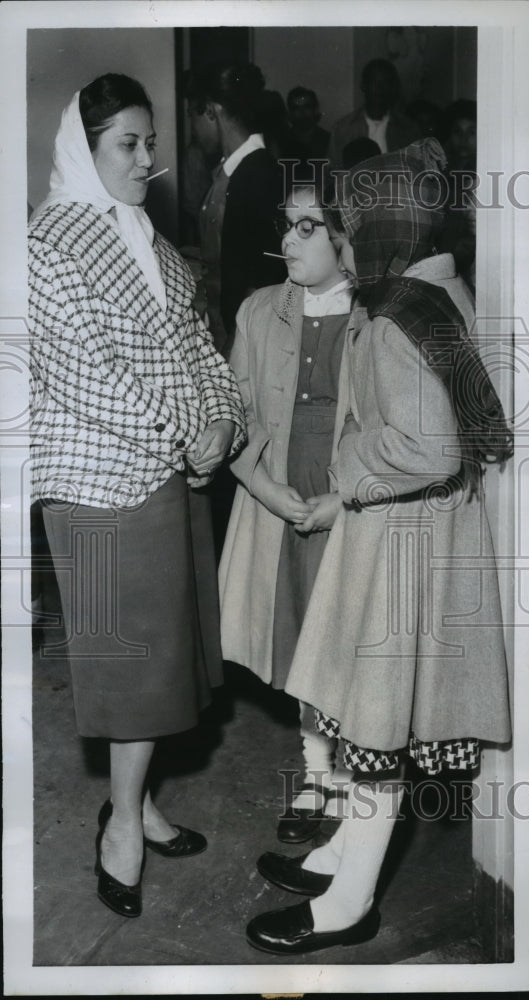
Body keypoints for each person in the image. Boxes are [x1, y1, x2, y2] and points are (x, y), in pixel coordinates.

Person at [245, 138, 513, 955]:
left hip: (402, 543)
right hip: (418, 535)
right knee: (372, 725)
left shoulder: (398, 315)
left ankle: (351, 900)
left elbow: (429, 450)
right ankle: (344, 856)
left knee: (374, 730)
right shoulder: (441, 291)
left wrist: (350, 462)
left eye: (355, 229)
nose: (347, 246)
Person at [28, 73, 246, 919]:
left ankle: (139, 800)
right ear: (82, 150)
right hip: (102, 486)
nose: (149, 160)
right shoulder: (46, 245)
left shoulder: (148, 239)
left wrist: (222, 425)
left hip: (170, 472)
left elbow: (201, 344)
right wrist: (181, 436)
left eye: (152, 142)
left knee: (169, 665)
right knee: (134, 671)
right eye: (129, 143)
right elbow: (87, 374)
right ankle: (121, 825)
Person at [218, 182, 358, 844]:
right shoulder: (258, 312)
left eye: (308, 227)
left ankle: (359, 781)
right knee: (301, 629)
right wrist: (263, 488)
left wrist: (349, 497)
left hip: (347, 493)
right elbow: (235, 417)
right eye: (286, 225)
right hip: (283, 486)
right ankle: (315, 771)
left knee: (349, 635)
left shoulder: (374, 315)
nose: (289, 241)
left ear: (343, 239)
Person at [186, 61, 287, 356]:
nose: (192, 130)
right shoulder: (230, 170)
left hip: (244, 342)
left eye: (192, 116)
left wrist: (232, 351)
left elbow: (265, 276)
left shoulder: (257, 174)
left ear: (210, 111)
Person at [328, 58, 420, 169]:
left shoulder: (408, 129)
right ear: (363, 85)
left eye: (386, 82)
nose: (379, 88)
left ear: (392, 88)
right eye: (374, 82)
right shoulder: (343, 129)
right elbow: (332, 172)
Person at [437, 99, 478, 292]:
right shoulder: (441, 176)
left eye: (471, 132)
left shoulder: (485, 178)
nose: (463, 139)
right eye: (457, 132)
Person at [283, 87, 331, 180]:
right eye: (296, 108)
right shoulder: (282, 141)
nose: (302, 112)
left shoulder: (328, 140)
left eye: (307, 107)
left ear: (315, 110)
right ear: (290, 112)